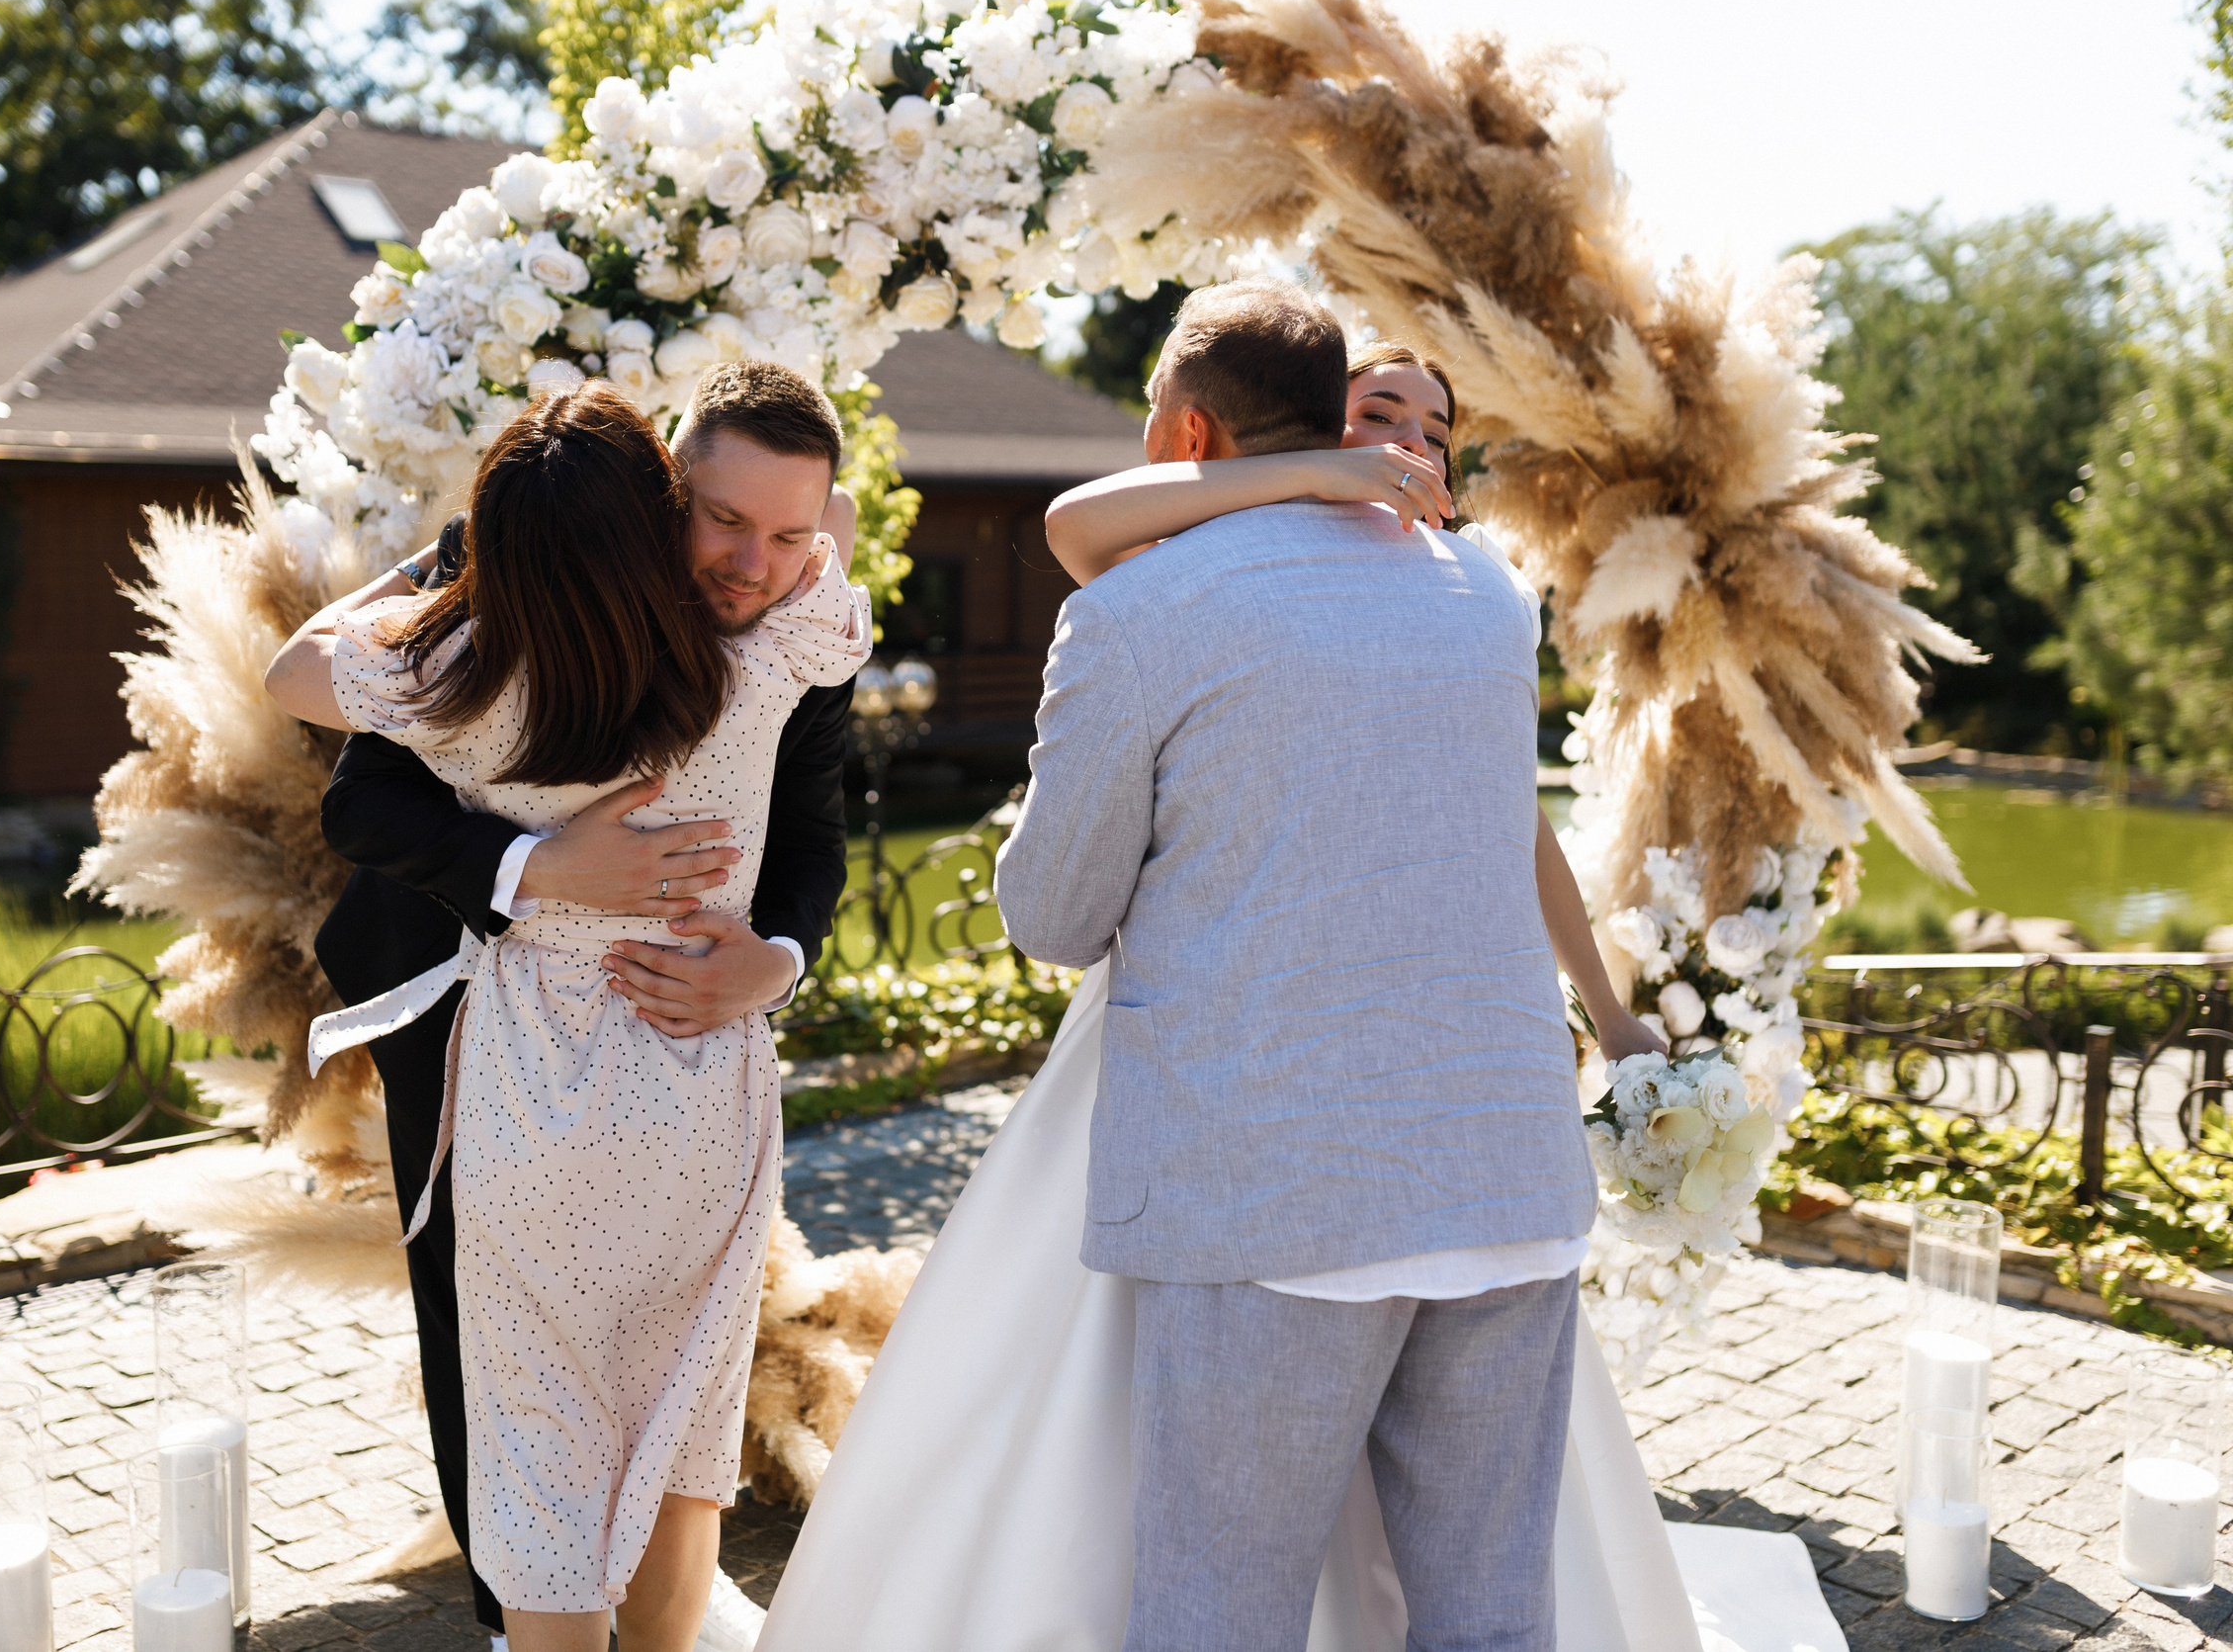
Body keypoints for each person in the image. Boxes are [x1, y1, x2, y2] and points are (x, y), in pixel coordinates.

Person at [750, 293, 1845, 1652]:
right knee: (1495, 1617)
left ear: (1187, 429)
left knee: (1221, 1616)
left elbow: (1053, 914)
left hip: (1275, 1195)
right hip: (1502, 1178)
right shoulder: (1488, 598)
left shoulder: (1141, 608)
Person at [264, 379, 869, 1652]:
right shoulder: (767, 663)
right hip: (692, 1105)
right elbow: (367, 813)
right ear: (658, 508)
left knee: (534, 1443)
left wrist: (776, 958)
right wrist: (523, 870)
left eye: (784, 536)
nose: (758, 562)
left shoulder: (450, 678)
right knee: (682, 1438)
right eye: (719, 522)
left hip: (528, 1101)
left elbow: (295, 672)